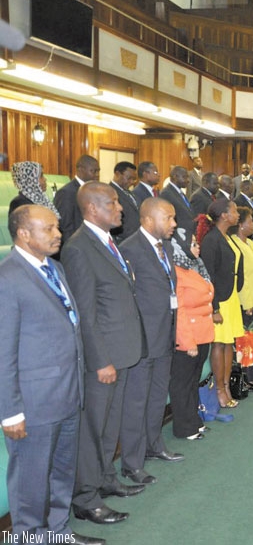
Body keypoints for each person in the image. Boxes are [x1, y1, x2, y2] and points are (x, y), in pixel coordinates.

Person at [0, 206, 104, 545]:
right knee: (30, 484)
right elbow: (3, 353)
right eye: (48, 228)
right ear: (24, 234)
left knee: (62, 475)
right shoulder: (7, 278)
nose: (58, 233)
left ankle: (58, 533)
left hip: (67, 395)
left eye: (57, 227)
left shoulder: (54, 268)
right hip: (33, 404)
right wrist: (10, 411)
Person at [64, 182, 146, 526]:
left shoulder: (108, 242)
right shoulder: (79, 248)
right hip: (104, 359)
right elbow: (85, 313)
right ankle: (86, 498)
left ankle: (107, 480)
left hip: (124, 351)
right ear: (93, 209)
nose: (121, 208)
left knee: (110, 425)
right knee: (93, 430)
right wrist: (100, 361)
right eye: (113, 203)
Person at [118, 198, 183, 485]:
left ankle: (154, 446)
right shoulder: (129, 249)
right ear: (148, 219)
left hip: (164, 335)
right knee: (136, 402)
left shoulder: (164, 246)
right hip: (142, 341)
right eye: (168, 218)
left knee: (157, 397)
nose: (174, 224)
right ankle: (132, 463)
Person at [197, 198, 244, 409]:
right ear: (224, 215)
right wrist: (214, 307)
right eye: (234, 211)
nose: (238, 214)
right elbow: (208, 276)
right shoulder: (211, 240)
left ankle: (226, 386)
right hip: (219, 300)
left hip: (231, 296)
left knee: (228, 344)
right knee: (219, 344)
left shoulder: (227, 237)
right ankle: (219, 390)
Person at [169, 230, 214, 441]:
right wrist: (188, 341)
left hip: (202, 333)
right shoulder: (176, 273)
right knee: (183, 383)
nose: (198, 247)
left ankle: (194, 419)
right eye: (193, 244)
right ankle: (184, 427)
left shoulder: (192, 268)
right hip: (189, 338)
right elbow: (179, 311)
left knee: (194, 379)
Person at [232, 207, 253, 382]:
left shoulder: (250, 242)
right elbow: (240, 276)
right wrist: (246, 303)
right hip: (245, 301)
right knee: (245, 340)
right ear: (240, 225)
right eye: (250, 221)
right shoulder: (234, 244)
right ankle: (243, 379)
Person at [54, 155, 100, 245]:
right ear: (80, 169)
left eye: (98, 171)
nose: (97, 175)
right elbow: (65, 226)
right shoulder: (66, 192)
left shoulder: (94, 190)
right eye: (93, 171)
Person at [161, 165, 196, 243]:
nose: (188, 180)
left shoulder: (181, 192)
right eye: (185, 177)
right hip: (178, 238)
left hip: (188, 236)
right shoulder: (166, 193)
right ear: (175, 177)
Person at [109, 162, 140, 244]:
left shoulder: (131, 193)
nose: (132, 182)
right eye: (129, 178)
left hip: (136, 240)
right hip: (123, 242)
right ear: (117, 174)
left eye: (134, 179)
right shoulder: (110, 192)